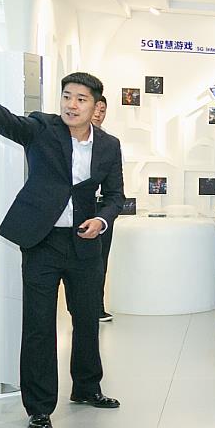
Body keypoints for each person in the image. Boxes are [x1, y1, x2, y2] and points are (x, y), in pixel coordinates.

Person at [0, 66, 126, 428]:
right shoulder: (42, 128)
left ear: (96, 106)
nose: (71, 105)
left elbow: (116, 196)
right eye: (67, 96)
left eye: (81, 99)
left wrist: (101, 221)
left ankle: (87, 387)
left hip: (85, 242)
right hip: (43, 241)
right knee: (39, 325)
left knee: (87, 318)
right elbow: (7, 122)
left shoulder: (109, 145)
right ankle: (39, 407)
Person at [92, 94, 117, 322]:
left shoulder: (109, 143)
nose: (99, 114)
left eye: (103, 110)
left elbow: (115, 188)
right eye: (96, 109)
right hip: (81, 208)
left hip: (102, 210)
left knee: (101, 261)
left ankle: (97, 307)